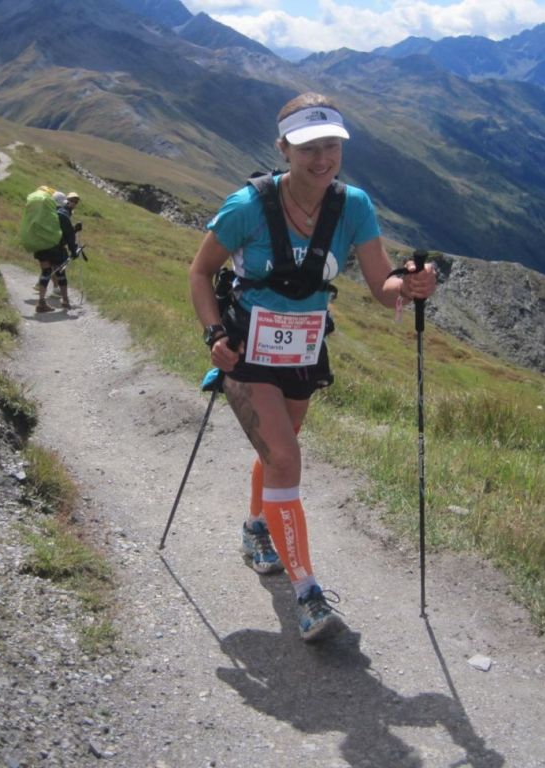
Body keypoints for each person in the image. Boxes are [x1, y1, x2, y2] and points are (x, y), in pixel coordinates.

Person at [188, 92, 437, 642]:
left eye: (331, 146)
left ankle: (256, 527)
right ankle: (308, 594)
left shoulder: (355, 206)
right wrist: (214, 334)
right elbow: (200, 273)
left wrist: (412, 284)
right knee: (285, 455)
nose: (322, 159)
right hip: (247, 347)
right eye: (308, 148)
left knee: (281, 448)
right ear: (283, 148)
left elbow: (380, 286)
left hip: (303, 350)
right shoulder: (246, 207)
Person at [34, 191, 81, 312]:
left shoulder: (45, 214)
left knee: (46, 272)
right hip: (56, 250)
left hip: (41, 247)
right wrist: (74, 251)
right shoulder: (63, 215)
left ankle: (41, 303)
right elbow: (69, 237)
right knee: (60, 274)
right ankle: (65, 301)